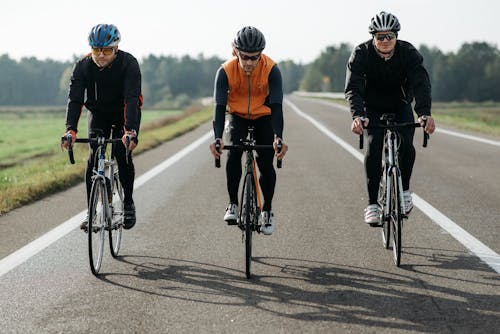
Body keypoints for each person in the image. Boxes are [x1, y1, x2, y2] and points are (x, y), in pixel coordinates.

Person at [345, 11, 436, 225]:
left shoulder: (408, 52)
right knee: (374, 146)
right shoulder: (361, 53)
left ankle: (404, 191)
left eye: (389, 36)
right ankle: (372, 205)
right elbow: (353, 88)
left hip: (401, 104)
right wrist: (358, 115)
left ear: (396, 36)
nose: (385, 41)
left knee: (406, 145)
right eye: (380, 37)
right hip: (373, 107)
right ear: (373, 37)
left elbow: (421, 83)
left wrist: (424, 113)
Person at [61, 24, 142, 230]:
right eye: (96, 50)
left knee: (121, 153)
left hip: (124, 113)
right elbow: (75, 101)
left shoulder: (129, 64)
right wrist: (70, 130)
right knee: (93, 155)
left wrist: (130, 130)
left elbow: (131, 99)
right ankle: (91, 211)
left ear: (116, 48)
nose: (101, 55)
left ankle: (128, 202)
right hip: (98, 114)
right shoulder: (82, 66)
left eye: (106, 50)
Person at [209, 26, 288, 235]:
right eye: (245, 57)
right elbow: (218, 107)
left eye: (255, 57)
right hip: (237, 116)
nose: (250, 62)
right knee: (233, 154)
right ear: (236, 51)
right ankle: (233, 203)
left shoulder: (272, 69)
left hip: (264, 116)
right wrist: (217, 138)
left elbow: (278, 106)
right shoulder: (225, 71)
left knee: (265, 162)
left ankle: (268, 210)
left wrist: (278, 137)